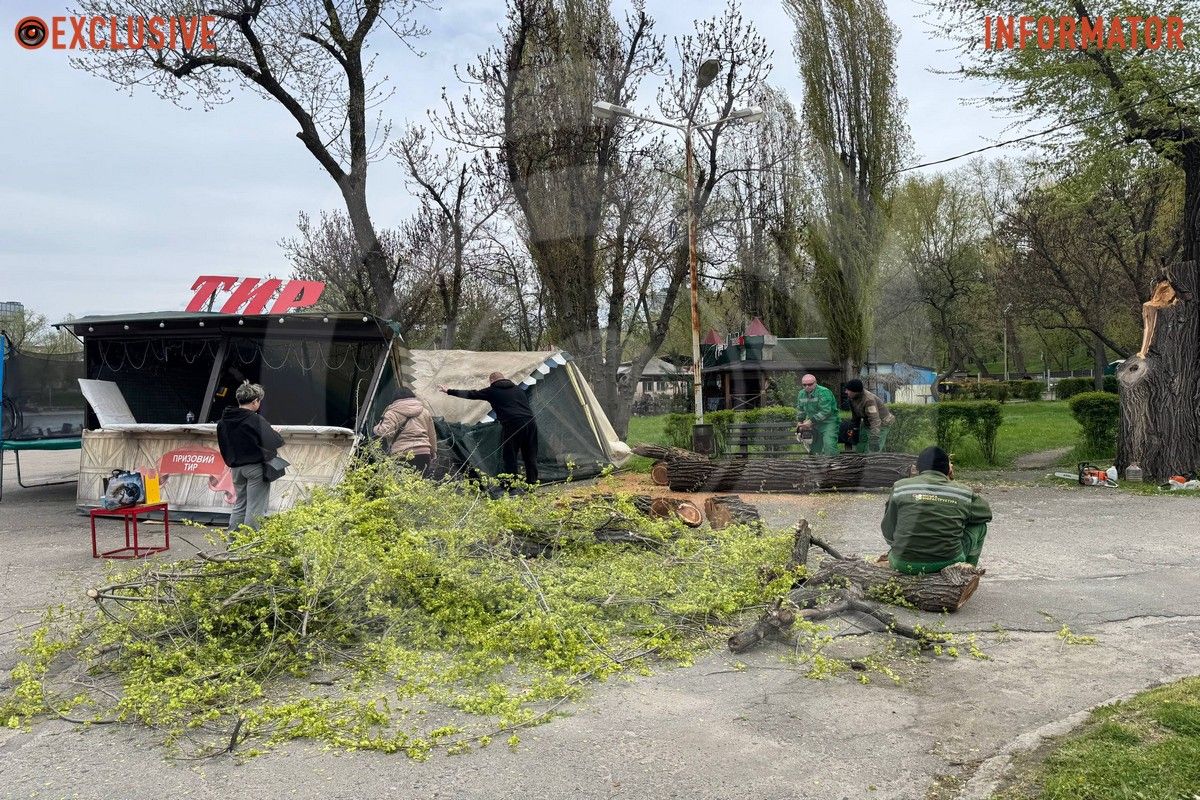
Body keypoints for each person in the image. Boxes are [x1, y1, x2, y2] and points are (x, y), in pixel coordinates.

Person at [880, 446, 992, 574]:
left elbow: (888, 528)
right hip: (947, 561)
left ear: (917, 469)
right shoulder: (962, 492)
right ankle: (967, 573)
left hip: (902, 563)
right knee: (980, 526)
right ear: (949, 469)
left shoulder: (900, 487)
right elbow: (986, 514)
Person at [437, 372, 538, 487]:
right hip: (530, 422)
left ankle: (510, 485)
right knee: (530, 453)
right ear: (504, 378)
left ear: (491, 381)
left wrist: (449, 391)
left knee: (510, 455)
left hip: (512, 424)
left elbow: (471, 394)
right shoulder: (518, 389)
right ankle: (532, 482)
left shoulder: (492, 391)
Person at [216, 381, 284, 531]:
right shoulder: (255, 419)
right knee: (255, 508)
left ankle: (233, 543)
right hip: (256, 469)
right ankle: (248, 546)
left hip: (236, 470)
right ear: (255, 401)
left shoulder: (223, 421)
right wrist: (276, 433)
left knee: (239, 505)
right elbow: (274, 441)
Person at [373, 386, 438, 475]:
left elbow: (384, 432)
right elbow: (432, 434)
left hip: (402, 453)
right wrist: (433, 451)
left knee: (402, 485)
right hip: (424, 452)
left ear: (395, 399)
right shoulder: (425, 412)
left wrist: (376, 427)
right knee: (419, 484)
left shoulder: (391, 413)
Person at [794, 373, 839, 455]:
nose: (807, 386)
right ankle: (816, 466)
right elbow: (801, 410)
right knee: (814, 449)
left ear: (815, 383)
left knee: (829, 445)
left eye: (810, 384)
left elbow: (826, 411)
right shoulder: (801, 394)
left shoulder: (824, 392)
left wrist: (810, 421)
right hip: (814, 424)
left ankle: (833, 466)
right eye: (804, 385)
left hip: (828, 423)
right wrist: (800, 422)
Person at [845, 378, 895, 452]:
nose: (846, 392)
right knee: (860, 445)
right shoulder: (851, 398)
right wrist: (854, 429)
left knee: (872, 450)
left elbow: (875, 420)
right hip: (867, 421)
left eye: (848, 390)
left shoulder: (868, 400)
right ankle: (860, 461)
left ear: (856, 392)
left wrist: (874, 438)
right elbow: (855, 415)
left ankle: (873, 461)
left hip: (882, 423)